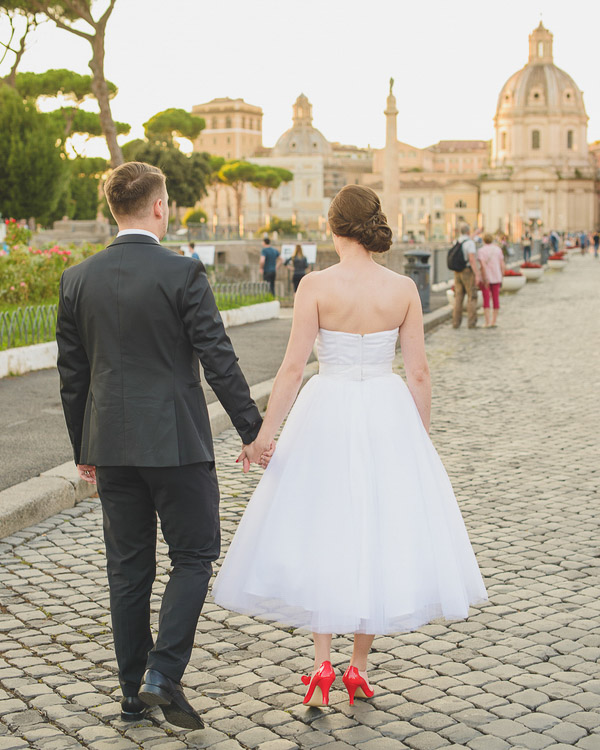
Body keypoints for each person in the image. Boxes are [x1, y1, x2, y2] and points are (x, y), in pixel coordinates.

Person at [214, 185, 488, 708]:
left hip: (327, 406)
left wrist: (263, 438)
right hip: (386, 410)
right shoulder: (403, 288)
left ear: (332, 227)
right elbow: (420, 372)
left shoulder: (315, 285)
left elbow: (293, 369)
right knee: (377, 529)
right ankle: (358, 667)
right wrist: (418, 438)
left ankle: (321, 661)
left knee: (323, 524)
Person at [56, 162, 267, 730]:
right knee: (195, 555)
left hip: (110, 444)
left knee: (127, 573)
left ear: (112, 210)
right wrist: (253, 429)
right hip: (176, 442)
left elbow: (72, 377)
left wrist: (84, 447)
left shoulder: (77, 279)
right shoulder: (183, 274)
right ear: (158, 207)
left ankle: (131, 694)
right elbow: (218, 358)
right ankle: (162, 673)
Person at [452, 223, 481, 329]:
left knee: (458, 297)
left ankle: (456, 322)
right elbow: (472, 259)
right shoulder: (470, 243)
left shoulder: (457, 241)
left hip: (457, 272)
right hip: (467, 271)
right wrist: (477, 274)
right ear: (468, 232)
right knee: (472, 296)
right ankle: (471, 322)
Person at [478, 234, 505, 328]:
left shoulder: (481, 251)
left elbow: (482, 265)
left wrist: (484, 277)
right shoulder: (498, 249)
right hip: (496, 276)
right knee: (496, 299)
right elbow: (502, 264)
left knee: (486, 299)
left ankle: (487, 321)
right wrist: (502, 275)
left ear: (484, 240)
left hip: (486, 277)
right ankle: (494, 321)